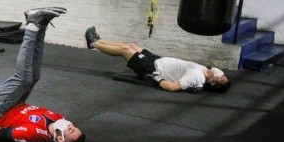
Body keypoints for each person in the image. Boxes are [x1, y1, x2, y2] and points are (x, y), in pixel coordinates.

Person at [0, 7, 85, 142]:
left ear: (59, 139)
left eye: (70, 130)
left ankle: (32, 25)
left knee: (24, 79)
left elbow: (0, 134)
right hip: (14, 105)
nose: (70, 125)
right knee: (34, 76)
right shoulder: (58, 118)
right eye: (74, 127)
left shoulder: (35, 134)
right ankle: (41, 26)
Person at [84, 26, 231, 93]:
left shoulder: (196, 77)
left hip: (152, 68)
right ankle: (100, 41)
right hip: (156, 59)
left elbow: (173, 87)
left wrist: (157, 77)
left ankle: (93, 43)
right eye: (224, 76)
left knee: (125, 51)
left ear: (212, 82)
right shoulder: (204, 71)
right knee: (130, 45)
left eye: (221, 78)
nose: (221, 74)